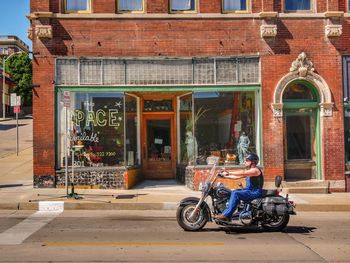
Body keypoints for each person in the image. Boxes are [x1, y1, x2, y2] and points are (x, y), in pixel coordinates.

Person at [215, 153, 263, 221]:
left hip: (255, 192)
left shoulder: (255, 170)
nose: (245, 162)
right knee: (234, 191)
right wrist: (224, 176)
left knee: (235, 193)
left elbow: (242, 172)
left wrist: (228, 172)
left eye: (246, 160)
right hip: (249, 191)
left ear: (252, 162)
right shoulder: (250, 171)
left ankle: (226, 215)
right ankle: (232, 212)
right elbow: (236, 177)